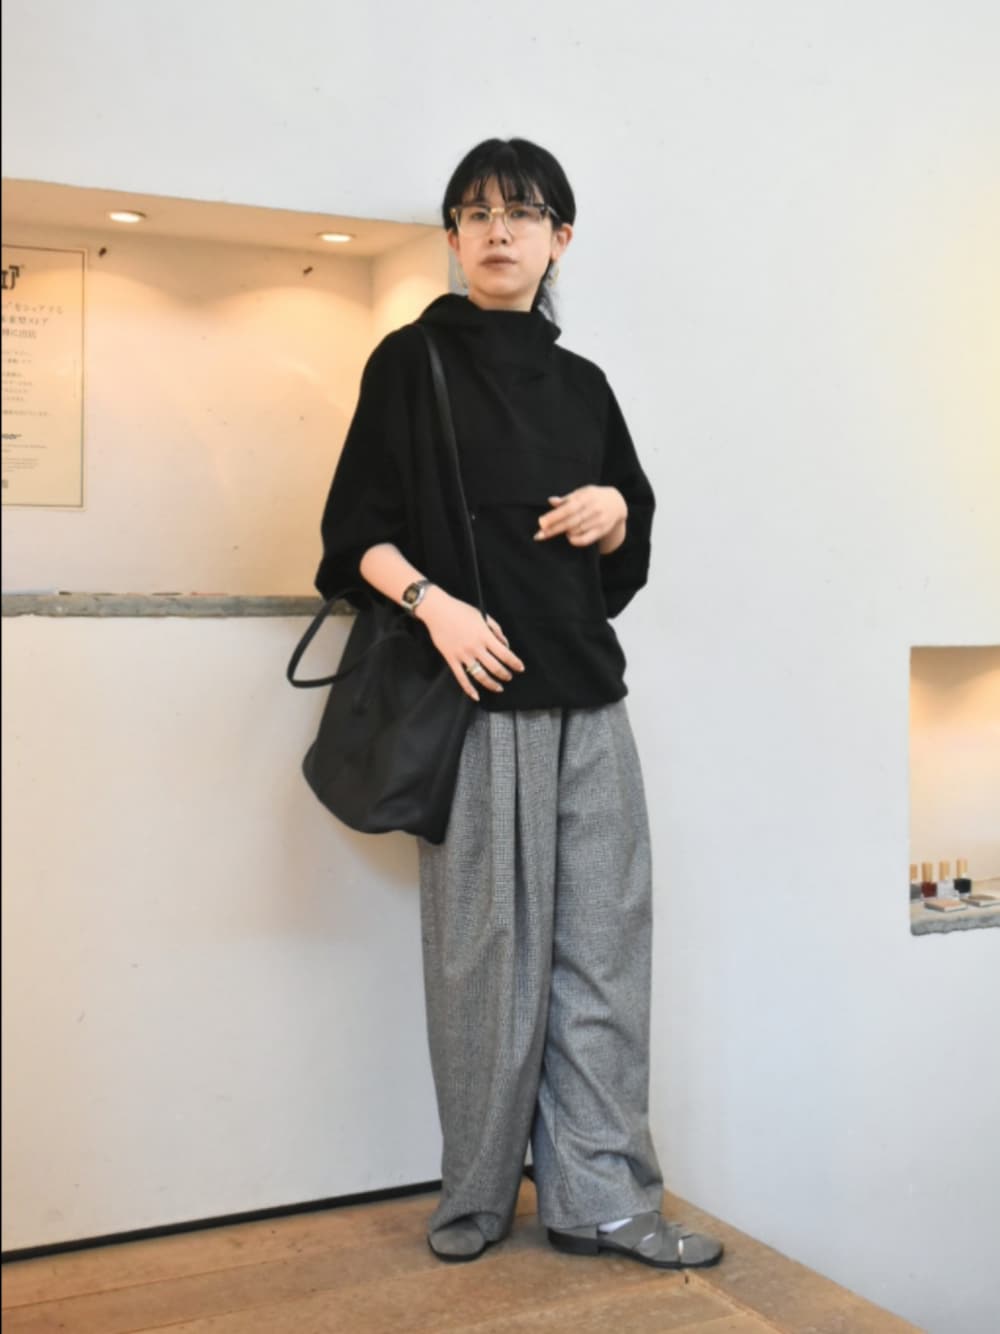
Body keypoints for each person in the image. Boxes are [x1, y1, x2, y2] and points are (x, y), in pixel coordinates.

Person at [315, 138, 723, 1272]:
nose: (500, 230)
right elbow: (352, 538)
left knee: (605, 958)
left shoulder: (584, 384)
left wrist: (613, 511)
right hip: (477, 704)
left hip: (590, 701)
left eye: (525, 212)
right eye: (478, 211)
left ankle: (603, 1200)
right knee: (483, 967)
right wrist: (436, 606)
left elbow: (624, 553)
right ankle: (479, 1194)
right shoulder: (410, 362)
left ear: (560, 238)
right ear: (453, 236)